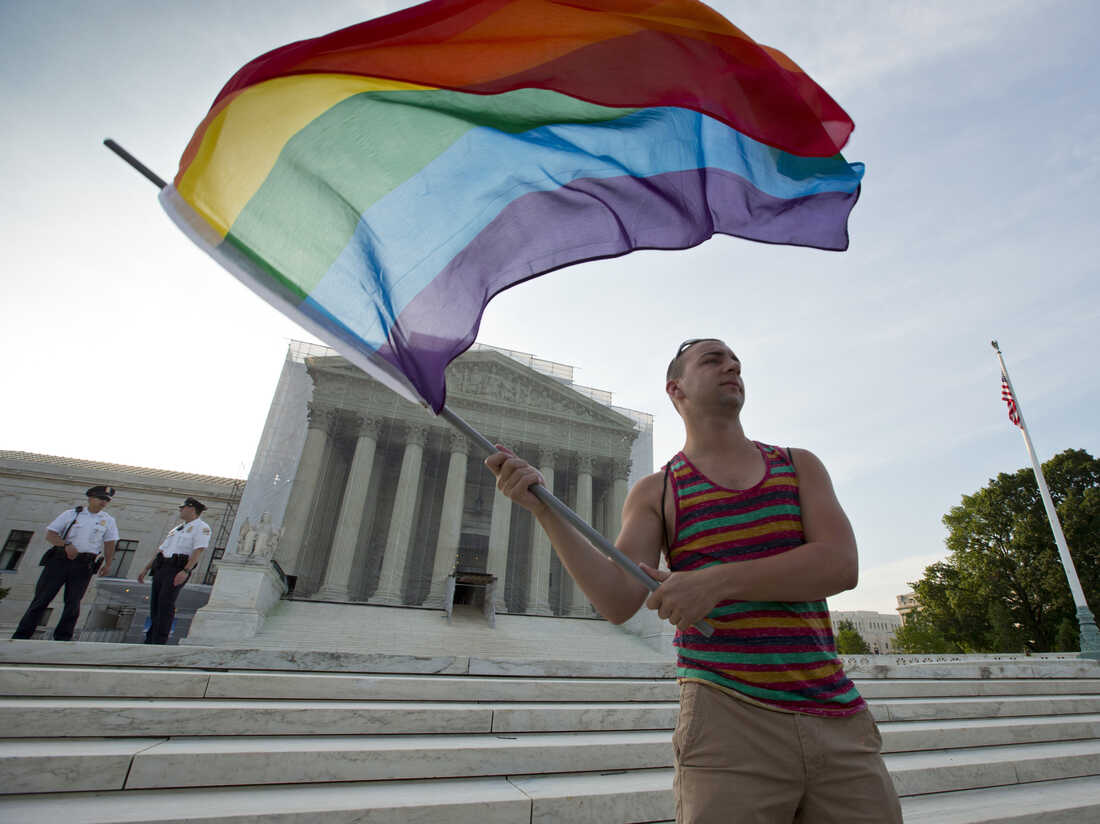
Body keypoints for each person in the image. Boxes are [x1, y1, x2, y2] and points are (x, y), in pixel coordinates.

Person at [486, 339, 901, 824]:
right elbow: (620, 600)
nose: (732, 366)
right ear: (675, 388)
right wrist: (545, 511)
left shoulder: (799, 465)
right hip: (727, 718)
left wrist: (714, 582)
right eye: (713, 359)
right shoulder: (658, 492)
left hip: (836, 716)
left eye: (736, 362)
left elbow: (839, 565)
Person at [12, 485, 119, 641]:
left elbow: (110, 543)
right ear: (90, 498)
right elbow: (51, 534)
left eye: (106, 500)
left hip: (84, 564)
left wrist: (108, 564)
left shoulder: (107, 520)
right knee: (42, 599)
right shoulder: (71, 514)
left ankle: (63, 637)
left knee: (74, 602)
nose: (103, 502)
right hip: (60, 560)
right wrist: (65, 545)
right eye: (100, 498)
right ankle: (22, 635)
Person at [137, 496, 210, 644]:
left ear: (191, 509)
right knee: (156, 604)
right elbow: (161, 550)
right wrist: (146, 568)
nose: (180, 510)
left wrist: (186, 571)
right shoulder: (177, 529)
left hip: (177, 569)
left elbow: (198, 550)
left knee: (166, 603)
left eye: (183, 507)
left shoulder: (202, 527)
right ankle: (150, 638)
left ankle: (159, 640)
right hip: (161, 566)